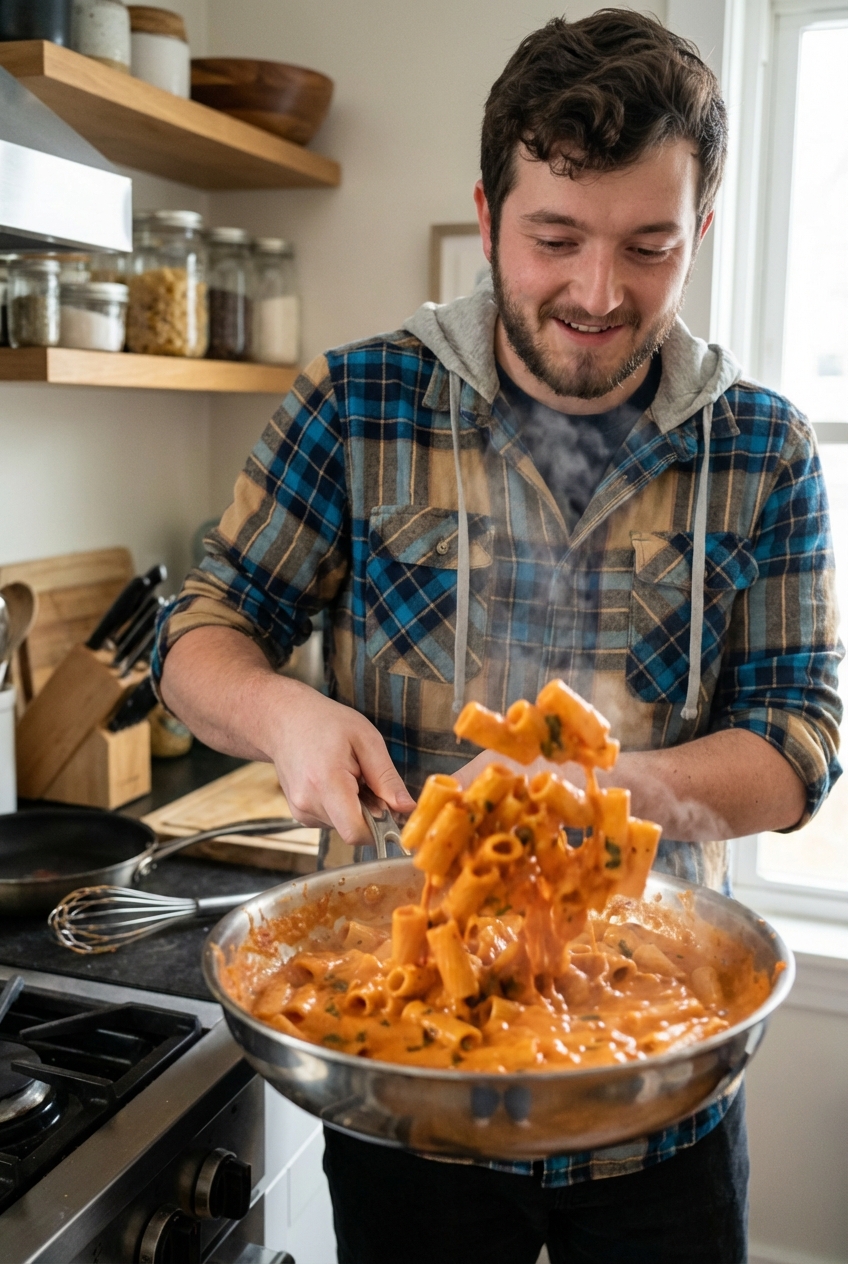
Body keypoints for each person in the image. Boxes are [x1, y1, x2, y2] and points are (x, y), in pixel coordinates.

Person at [153, 11, 842, 1262]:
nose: (596, 292)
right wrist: (282, 712)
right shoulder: (355, 403)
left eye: (648, 245)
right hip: (402, 1095)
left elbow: (801, 741)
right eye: (554, 239)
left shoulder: (765, 448)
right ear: (486, 217)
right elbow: (202, 630)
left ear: (697, 229)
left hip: (660, 1092)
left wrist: (608, 794)